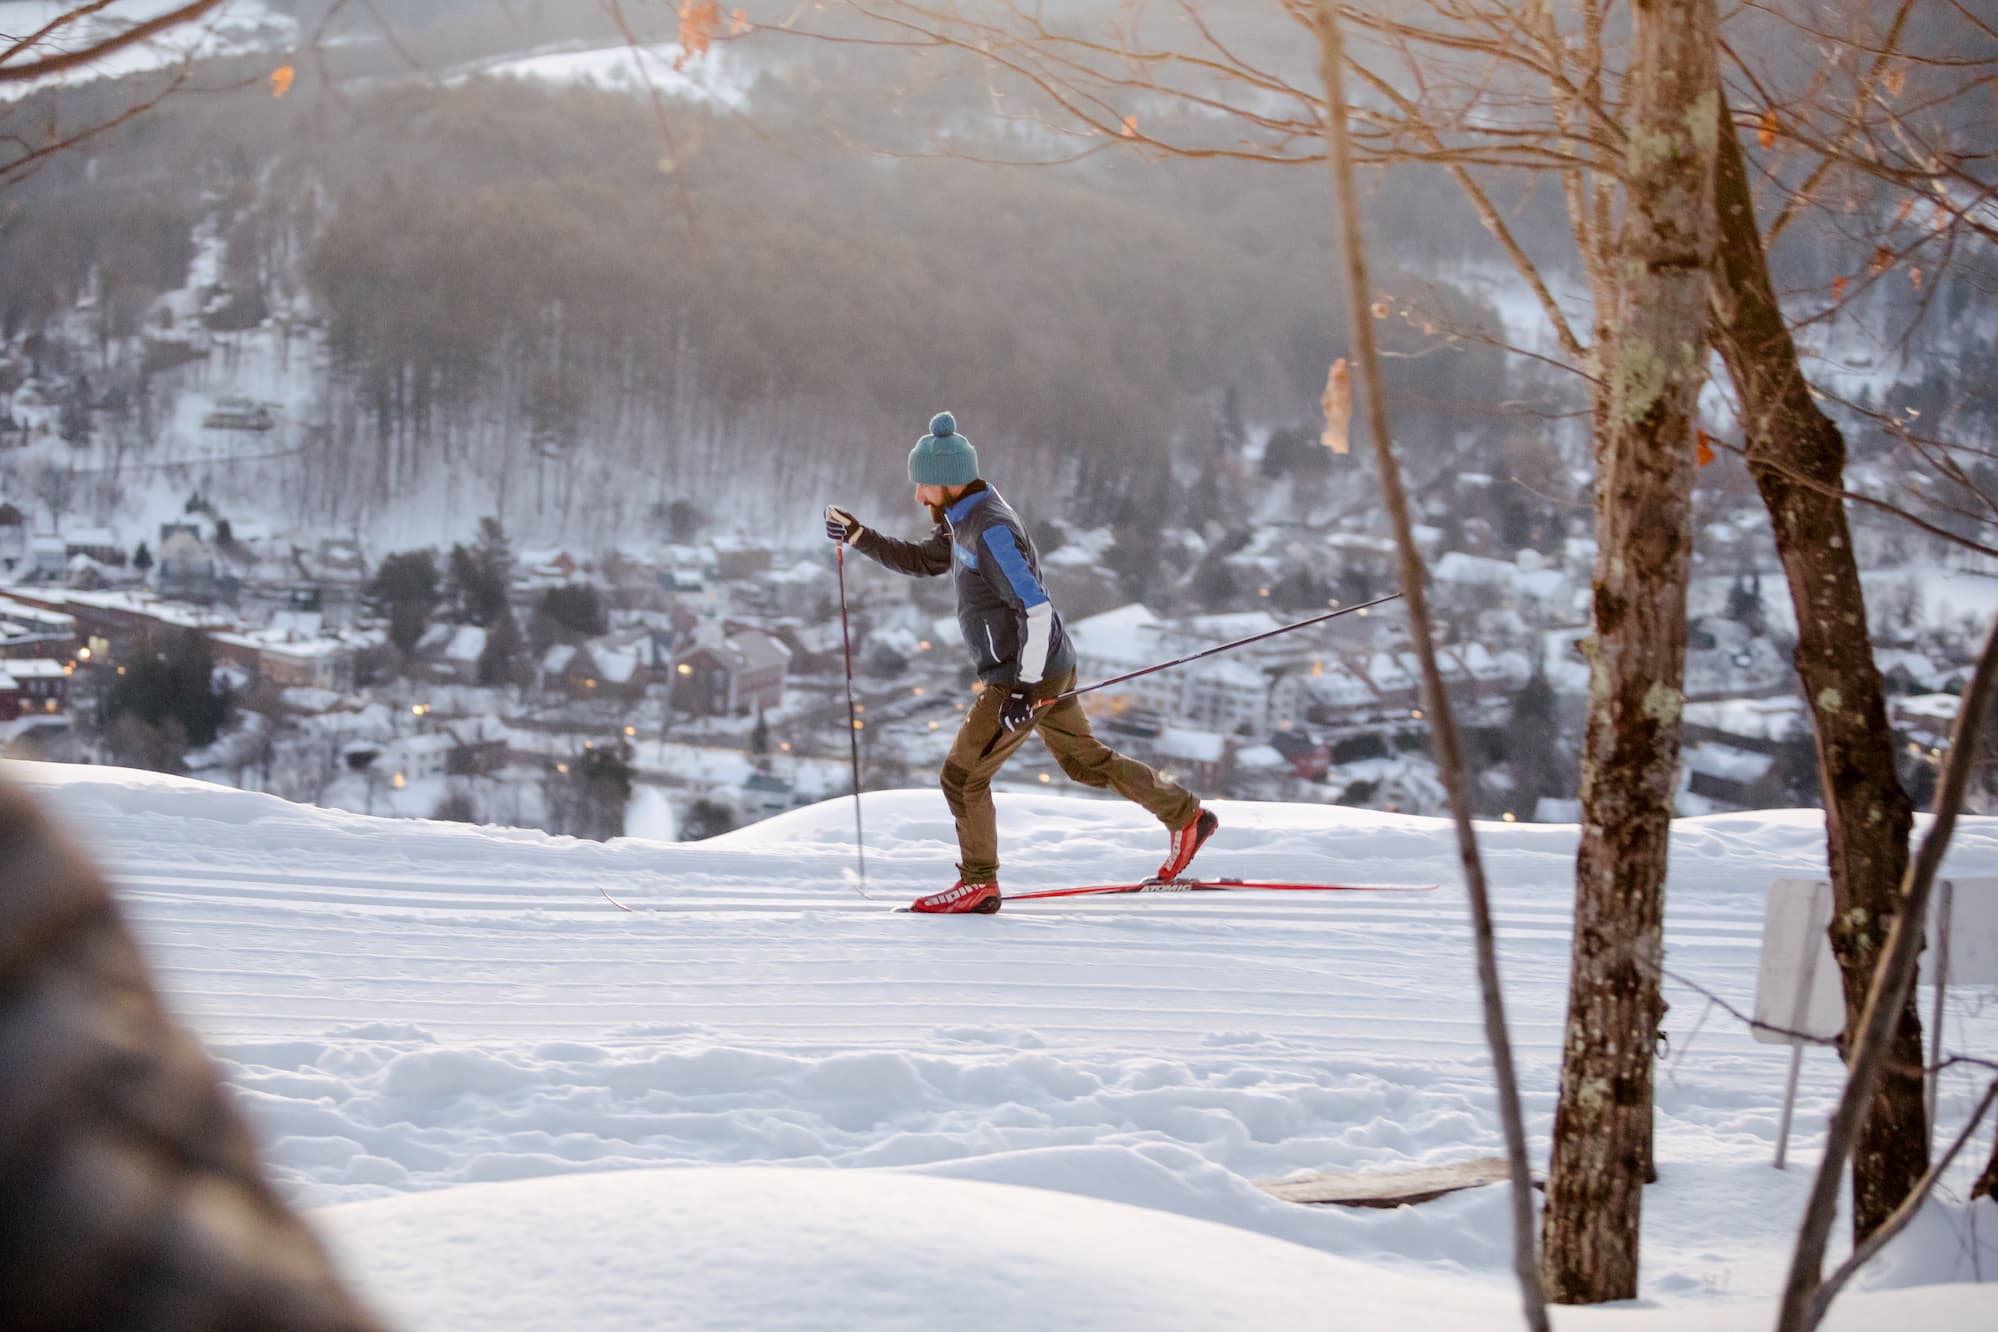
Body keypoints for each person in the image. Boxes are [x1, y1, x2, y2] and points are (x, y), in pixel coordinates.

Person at [825, 411, 1218, 914]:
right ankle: (1187, 816)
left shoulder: (990, 529)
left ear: (946, 482)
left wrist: (1021, 690)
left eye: (923, 486)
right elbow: (928, 561)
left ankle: (978, 883)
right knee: (1084, 762)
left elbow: (1035, 609)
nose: (919, 496)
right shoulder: (963, 515)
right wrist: (860, 536)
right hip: (1044, 666)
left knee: (962, 777)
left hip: (1021, 674)